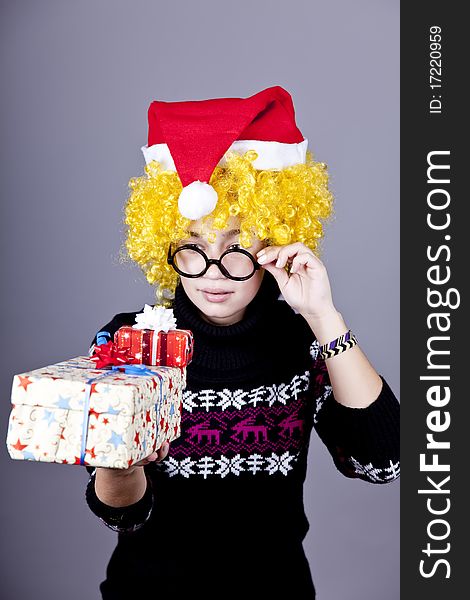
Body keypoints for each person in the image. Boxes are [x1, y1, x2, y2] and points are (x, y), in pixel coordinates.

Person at [85, 86, 400, 599]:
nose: (213, 273)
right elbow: (121, 512)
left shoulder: (302, 340)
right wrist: (120, 462)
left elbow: (384, 463)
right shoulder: (131, 340)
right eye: (192, 247)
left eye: (236, 248)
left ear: (273, 244)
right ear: (164, 244)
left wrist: (323, 314)